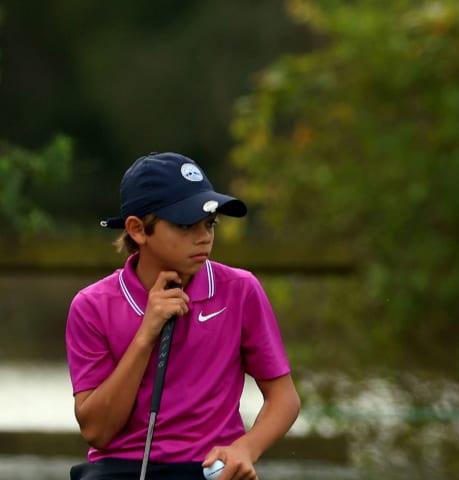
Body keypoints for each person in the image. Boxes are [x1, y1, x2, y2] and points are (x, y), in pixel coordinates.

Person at [66, 152, 300, 480]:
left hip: (209, 470)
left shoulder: (240, 290)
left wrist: (246, 448)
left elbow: (284, 398)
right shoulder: (91, 306)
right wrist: (146, 333)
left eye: (209, 223)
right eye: (186, 224)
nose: (203, 236)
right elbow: (97, 432)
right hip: (122, 470)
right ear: (137, 229)